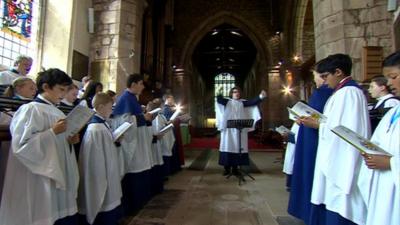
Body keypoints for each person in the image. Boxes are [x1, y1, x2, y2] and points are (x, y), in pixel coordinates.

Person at [0, 68, 80, 225]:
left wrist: (69, 141)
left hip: (55, 169)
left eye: (66, 90)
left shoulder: (57, 111)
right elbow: (21, 145)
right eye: (61, 89)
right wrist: (51, 133)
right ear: (46, 87)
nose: (63, 95)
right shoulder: (30, 109)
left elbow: (59, 142)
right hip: (36, 175)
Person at [300, 54, 369, 225]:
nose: (323, 81)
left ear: (338, 72)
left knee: (341, 207)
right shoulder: (342, 92)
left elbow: (347, 131)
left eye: (325, 76)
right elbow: (336, 124)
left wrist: (318, 125)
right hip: (336, 156)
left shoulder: (348, 93)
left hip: (343, 161)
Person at [358, 51, 400, 225]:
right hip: (385, 187)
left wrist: (391, 163)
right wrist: (368, 150)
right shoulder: (396, 110)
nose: (389, 83)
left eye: (393, 76)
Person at [287, 70, 333, 224]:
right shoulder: (324, 93)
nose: (316, 81)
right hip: (313, 139)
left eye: (316, 77)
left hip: (317, 144)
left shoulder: (331, 94)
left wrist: (314, 123)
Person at [78, 93, 123, 225]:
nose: (111, 110)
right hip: (102, 174)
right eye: (110, 107)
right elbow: (94, 159)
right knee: (103, 204)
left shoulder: (102, 124)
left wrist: (115, 139)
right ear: (101, 107)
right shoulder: (96, 128)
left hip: (108, 171)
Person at [111, 73, 153, 214]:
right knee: (134, 172)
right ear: (133, 84)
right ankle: (132, 205)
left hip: (138, 140)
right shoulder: (125, 99)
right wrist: (142, 118)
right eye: (141, 83)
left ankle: (139, 202)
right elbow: (122, 122)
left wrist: (142, 116)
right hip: (132, 142)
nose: (142, 86)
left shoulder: (132, 99)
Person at [215, 87, 267, 176]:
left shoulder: (243, 102)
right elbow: (219, 100)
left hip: (239, 130)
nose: (237, 93)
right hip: (228, 131)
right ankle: (227, 169)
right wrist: (219, 93)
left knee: (238, 148)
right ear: (231, 93)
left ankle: (235, 169)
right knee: (228, 147)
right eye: (234, 92)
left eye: (238, 92)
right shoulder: (227, 102)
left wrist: (261, 96)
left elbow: (252, 102)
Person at [282, 122, 299, 191]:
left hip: (296, 149)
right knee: (290, 164)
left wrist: (289, 136)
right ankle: (289, 184)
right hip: (291, 147)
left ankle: (293, 185)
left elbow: (299, 138)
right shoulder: (297, 122)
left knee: (292, 165)